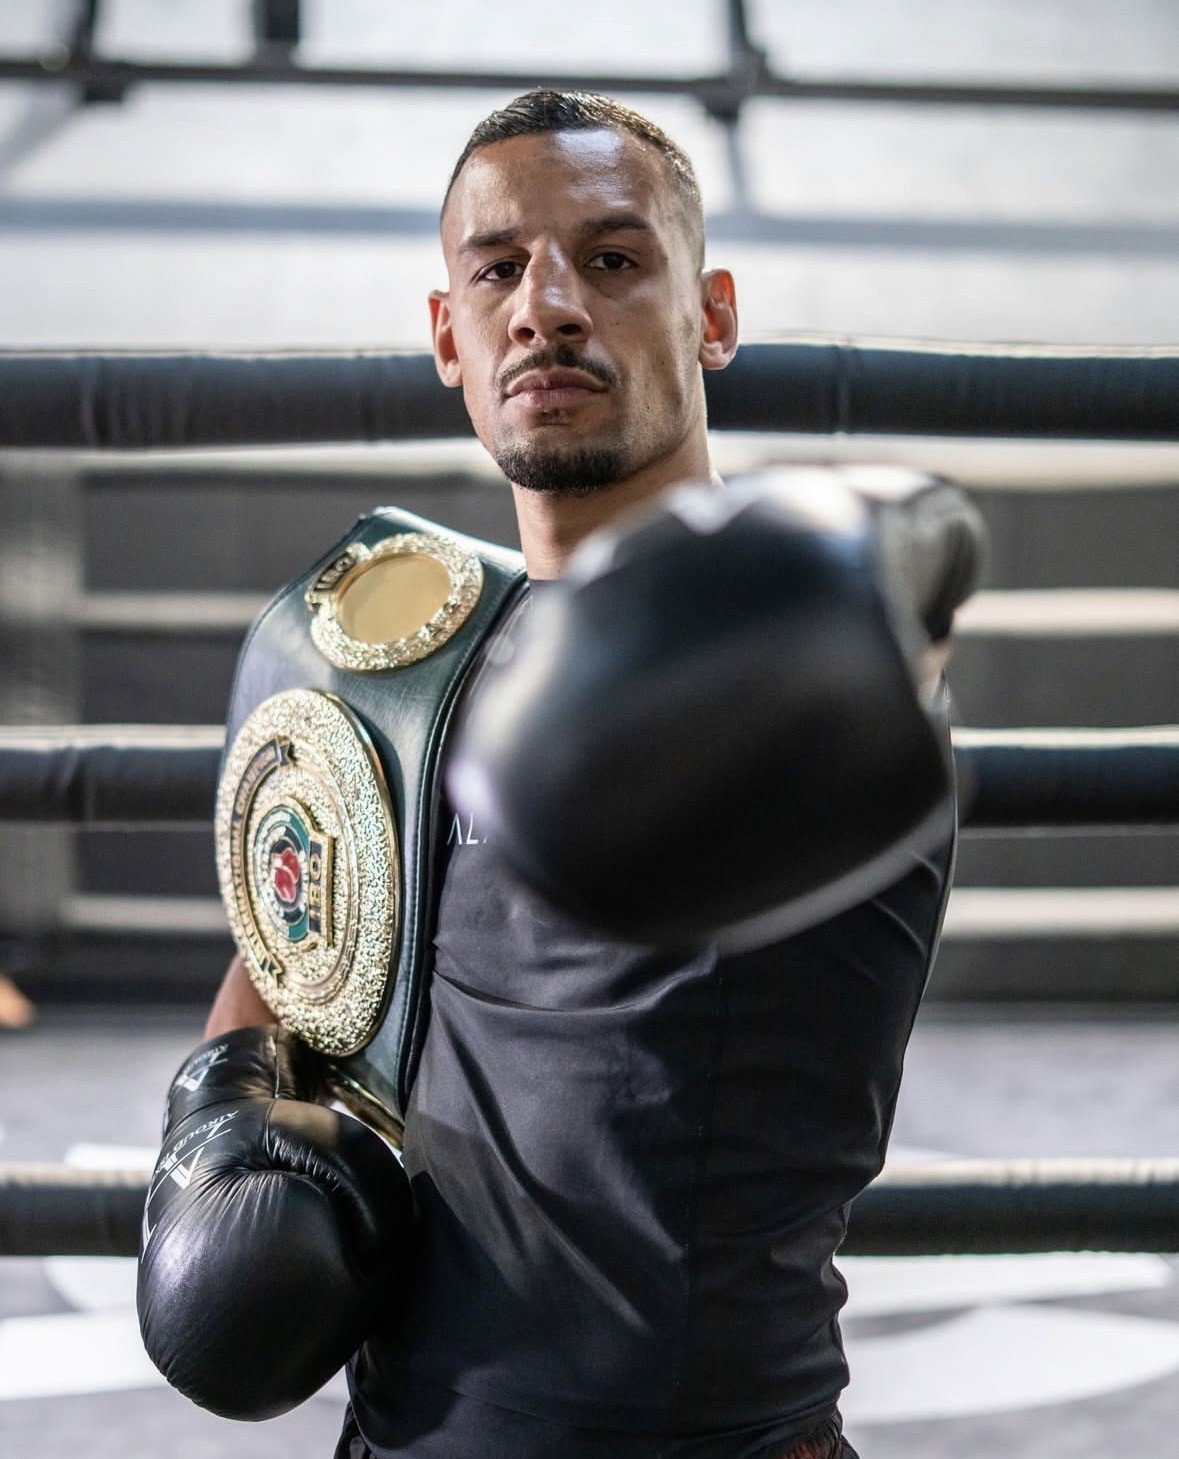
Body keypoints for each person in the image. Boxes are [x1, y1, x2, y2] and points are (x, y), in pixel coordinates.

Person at [140, 91, 979, 1459]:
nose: (546, 306)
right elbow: (287, 982)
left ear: (710, 313)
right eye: (497, 269)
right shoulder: (404, 664)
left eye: (611, 259)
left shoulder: (790, 651)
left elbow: (893, 628)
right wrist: (231, 1132)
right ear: (449, 339)